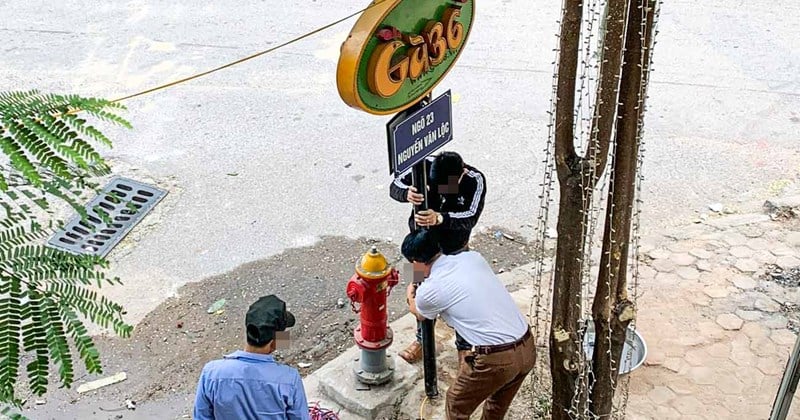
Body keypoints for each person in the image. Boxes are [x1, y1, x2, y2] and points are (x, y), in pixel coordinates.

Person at [401, 229, 535, 420]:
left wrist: (410, 291)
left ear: (416, 262)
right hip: (527, 346)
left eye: (411, 264)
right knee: (496, 405)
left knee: (457, 403)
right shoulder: (473, 258)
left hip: (497, 359)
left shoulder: (431, 290)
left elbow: (420, 313)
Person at [389, 151, 487, 363]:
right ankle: (421, 339)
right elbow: (394, 186)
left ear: (460, 175)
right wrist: (406, 193)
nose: (441, 191)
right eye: (437, 185)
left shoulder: (474, 180)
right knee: (417, 291)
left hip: (455, 249)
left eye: (446, 186)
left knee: (462, 298)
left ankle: (464, 345)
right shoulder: (422, 164)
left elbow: (470, 217)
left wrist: (441, 218)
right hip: (421, 249)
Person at [194, 295, 310, 420]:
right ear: (274, 342)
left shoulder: (211, 373)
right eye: (283, 335)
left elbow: (201, 416)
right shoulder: (290, 379)